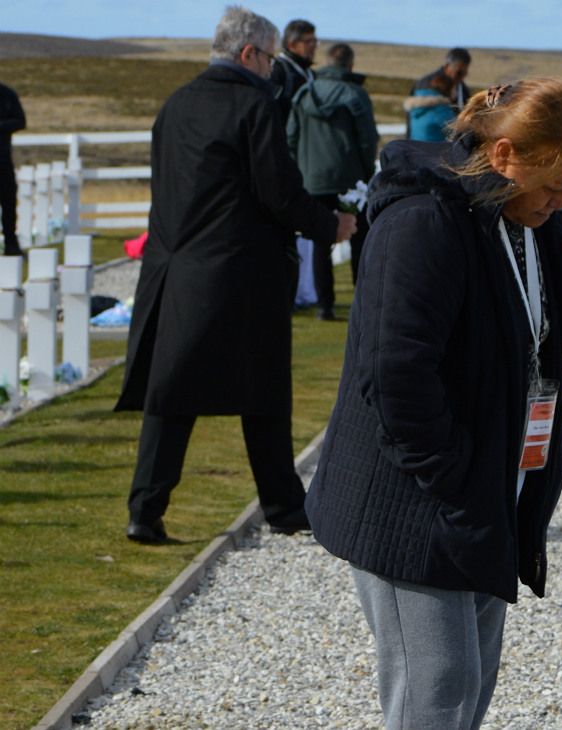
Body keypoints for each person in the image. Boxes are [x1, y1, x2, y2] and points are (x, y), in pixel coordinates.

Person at [305, 78, 562, 729]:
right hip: (416, 499)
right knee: (434, 690)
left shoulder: (527, 219)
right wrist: (455, 473)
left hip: (486, 490)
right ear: (504, 156)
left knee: (468, 685)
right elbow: (396, 375)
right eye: (555, 184)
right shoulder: (423, 222)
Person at [117, 6, 355, 544]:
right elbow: (278, 191)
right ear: (249, 54)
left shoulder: (176, 104)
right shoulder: (254, 105)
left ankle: (145, 509)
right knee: (265, 392)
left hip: (175, 268)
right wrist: (330, 225)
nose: (273, 69)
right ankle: (284, 507)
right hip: (242, 272)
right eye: (271, 58)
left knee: (171, 396)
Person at [287, 42, 379, 318]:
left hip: (313, 180)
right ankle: (363, 303)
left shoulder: (304, 94)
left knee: (319, 240)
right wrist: (366, 174)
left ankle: (324, 306)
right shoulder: (356, 94)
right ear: (350, 65)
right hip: (351, 180)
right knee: (359, 238)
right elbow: (367, 138)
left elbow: (290, 137)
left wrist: (300, 170)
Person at [269, 18, 316, 122]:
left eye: (315, 41)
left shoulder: (311, 74)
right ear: (292, 45)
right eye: (308, 42)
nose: (314, 46)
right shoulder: (277, 70)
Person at [0, 81, 24, 256]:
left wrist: (1, 127)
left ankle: (11, 243)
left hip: (2, 159)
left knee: (8, 201)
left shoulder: (7, 95)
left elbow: (20, 121)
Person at [405, 68, 458, 143]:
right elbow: (457, 131)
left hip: (415, 148)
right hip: (434, 151)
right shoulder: (441, 110)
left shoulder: (416, 106)